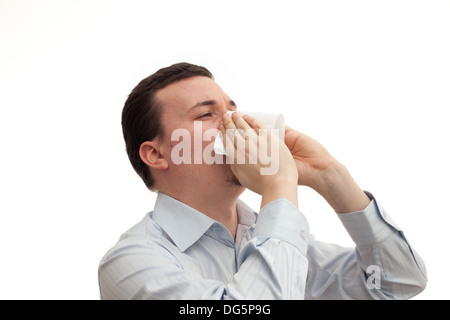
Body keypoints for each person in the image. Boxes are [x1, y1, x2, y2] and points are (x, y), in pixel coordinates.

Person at [98, 62, 427, 299]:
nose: (237, 123)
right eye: (205, 114)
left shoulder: (268, 237)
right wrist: (278, 186)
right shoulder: (132, 263)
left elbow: (398, 282)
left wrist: (330, 175)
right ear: (156, 155)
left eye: (233, 110)